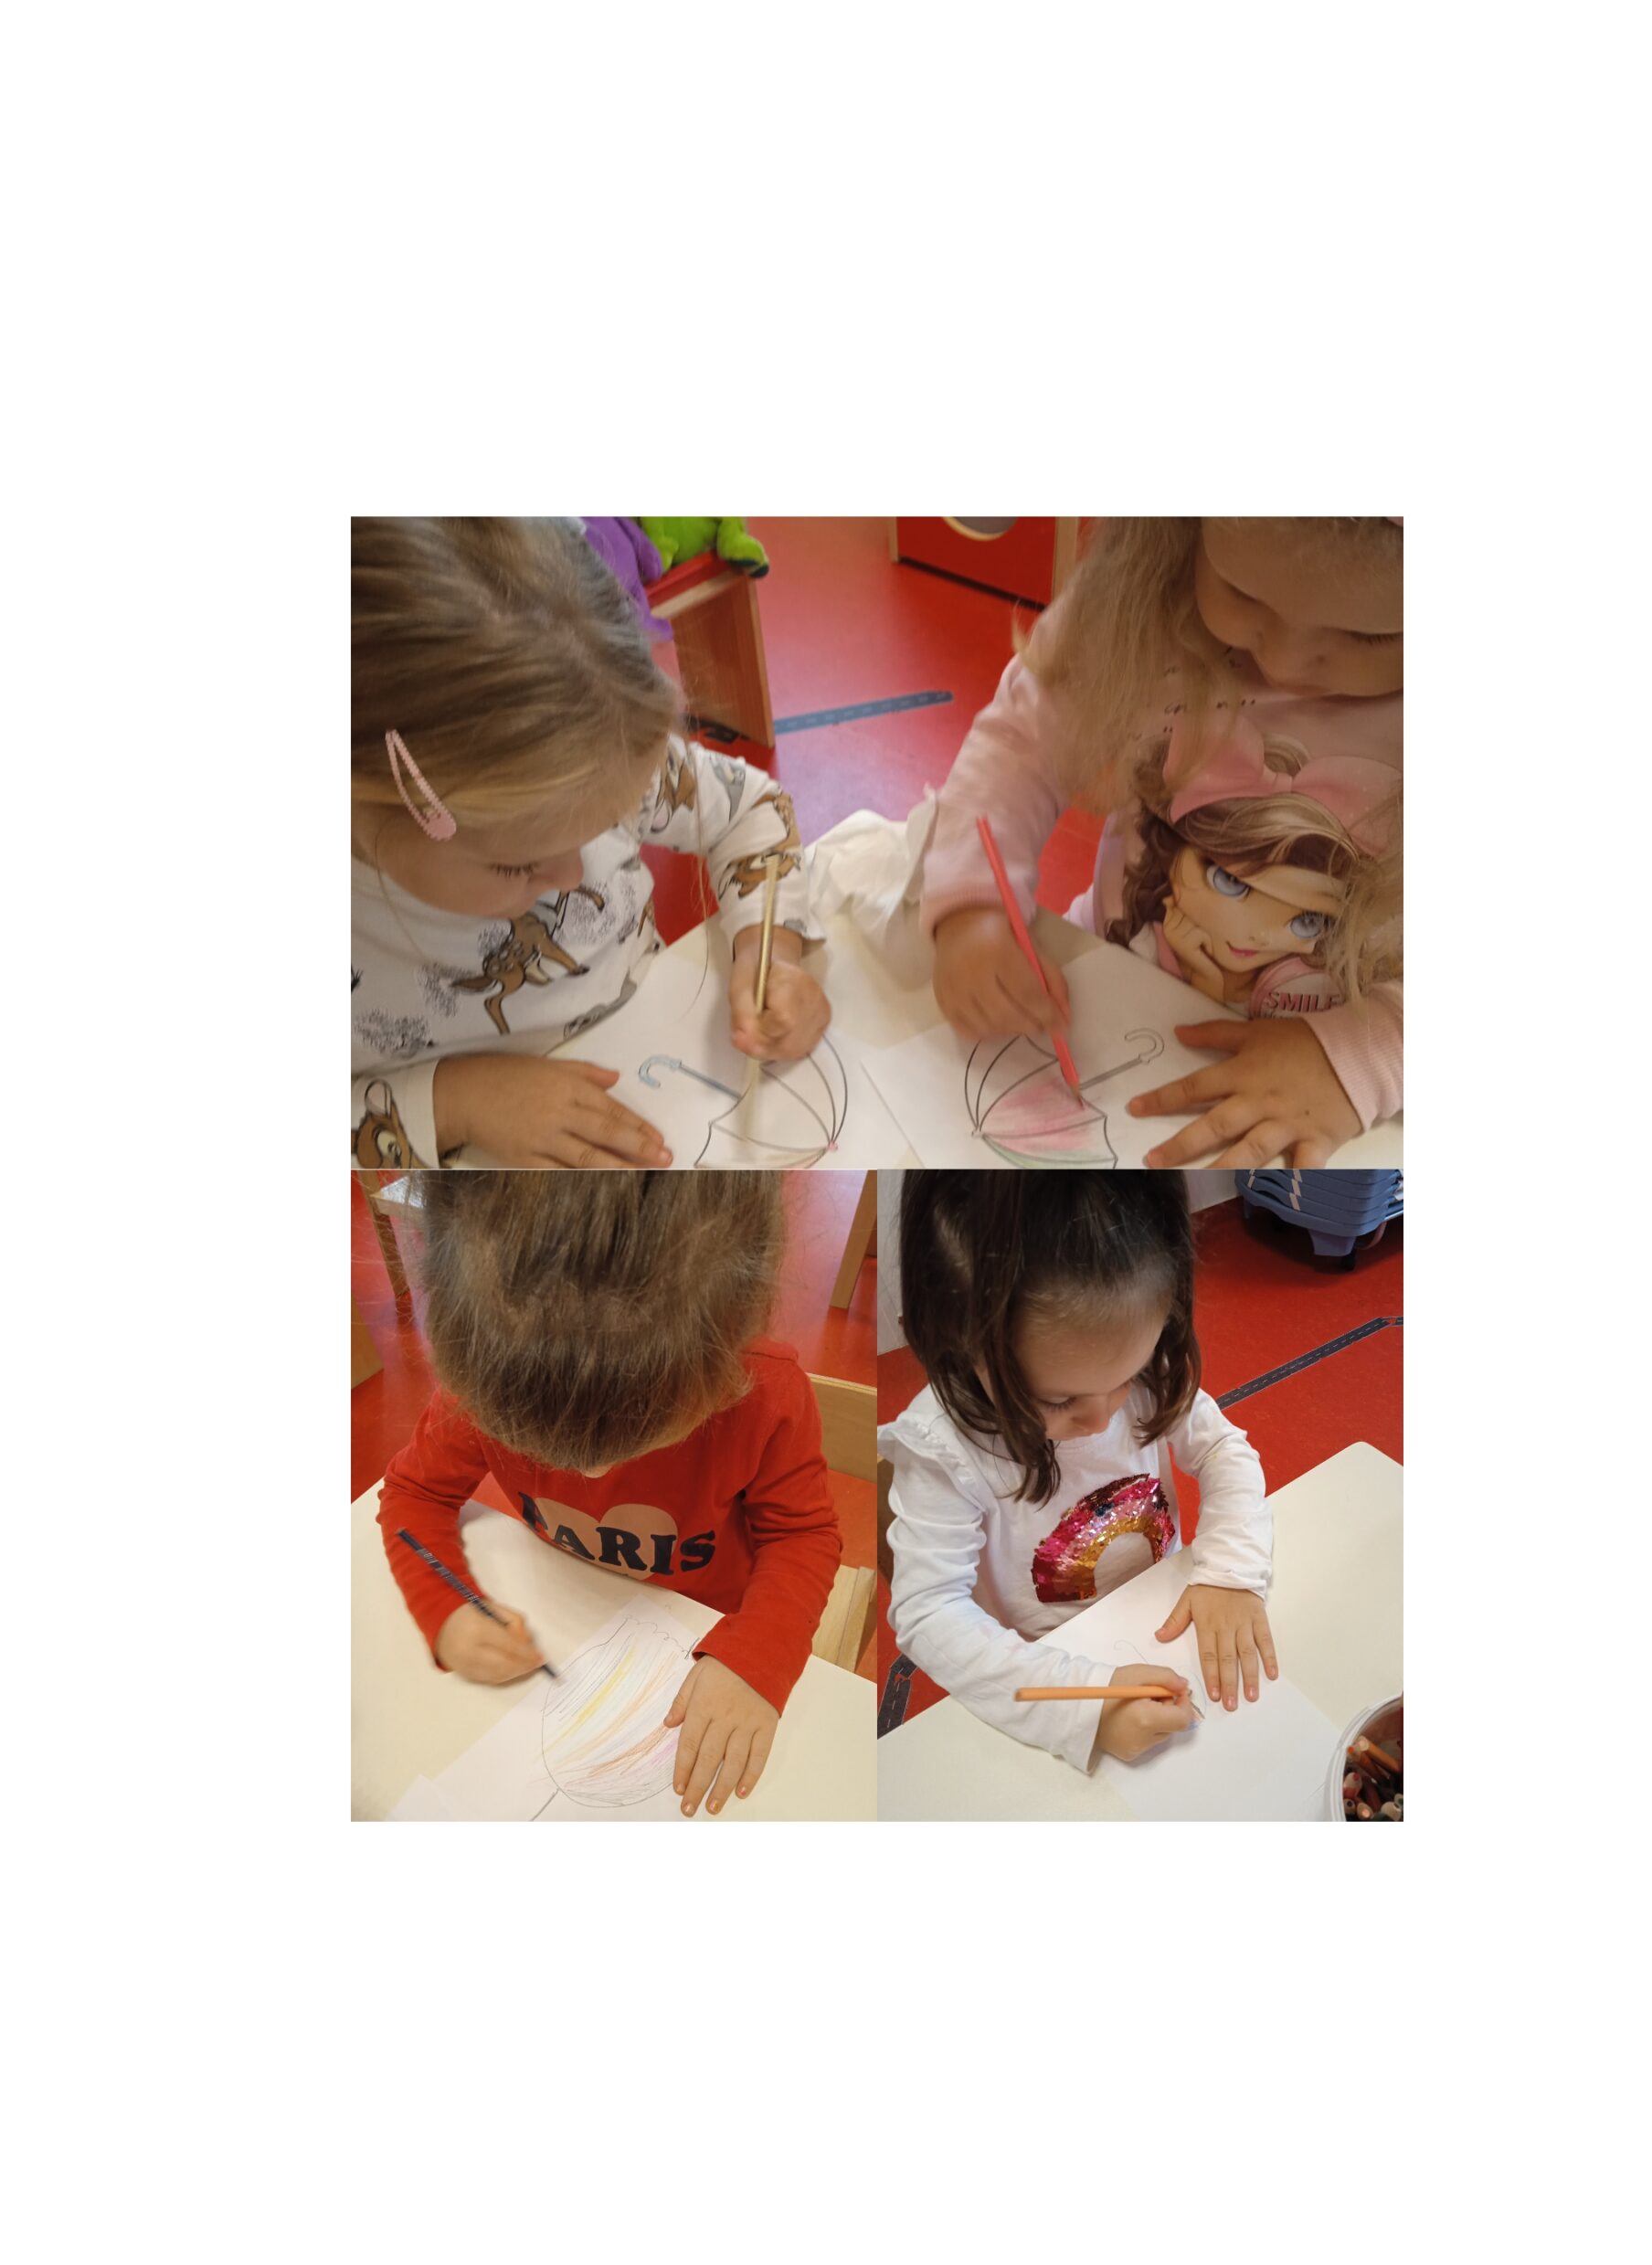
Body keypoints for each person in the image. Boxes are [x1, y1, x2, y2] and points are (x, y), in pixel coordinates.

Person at [923, 517, 1402, 1166]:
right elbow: (1023, 743)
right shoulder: (1148, 605)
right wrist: (973, 902)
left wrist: (1358, 1059)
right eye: (1240, 593)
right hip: (1101, 996)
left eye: (1370, 636)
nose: (1284, 662)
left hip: (1321, 1096)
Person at [352, 517, 827, 1169]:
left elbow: (752, 809)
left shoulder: (595, 750)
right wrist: (459, 1100)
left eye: (603, 829)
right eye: (518, 867)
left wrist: (770, 948)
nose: (576, 877)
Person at [377, 1171, 842, 1817]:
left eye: (637, 1441)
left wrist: (758, 1657)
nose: (592, 1475)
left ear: (723, 1363)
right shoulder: (481, 1381)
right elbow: (411, 1495)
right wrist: (445, 1606)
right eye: (542, 1447)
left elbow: (803, 1535)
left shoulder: (766, 1395)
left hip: (706, 1623)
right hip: (573, 1620)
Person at [880, 1170, 1275, 1771]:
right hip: (1046, 1663)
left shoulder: (1141, 1367)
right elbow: (930, 1613)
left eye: (1128, 1376)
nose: (1102, 1417)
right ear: (956, 1341)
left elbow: (1223, 1450)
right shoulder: (943, 1450)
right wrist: (1085, 1707)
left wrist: (1230, 1572)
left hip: (1164, 1616)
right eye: (1059, 1400)